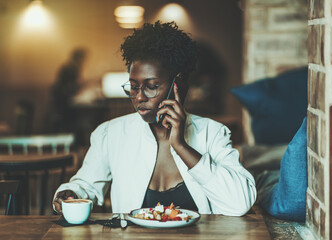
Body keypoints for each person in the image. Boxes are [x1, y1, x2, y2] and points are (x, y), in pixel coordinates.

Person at [53, 21, 256, 216]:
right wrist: (71, 193)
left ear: (178, 84)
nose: (139, 97)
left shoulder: (212, 134)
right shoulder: (110, 134)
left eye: (151, 86)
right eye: (133, 87)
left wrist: (182, 146)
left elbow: (239, 204)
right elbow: (85, 185)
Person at [49, 48, 87, 132]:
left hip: (61, 100)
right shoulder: (71, 68)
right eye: (83, 58)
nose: (84, 61)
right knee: (72, 121)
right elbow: (70, 86)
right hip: (63, 101)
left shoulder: (69, 66)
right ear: (78, 58)